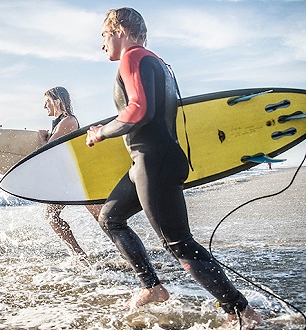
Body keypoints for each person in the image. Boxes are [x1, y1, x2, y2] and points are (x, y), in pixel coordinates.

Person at [84, 7, 262, 328]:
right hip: (150, 162)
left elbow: (138, 111)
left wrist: (100, 132)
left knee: (179, 243)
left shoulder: (133, 57)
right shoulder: (159, 64)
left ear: (120, 30)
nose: (102, 44)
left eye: (104, 35)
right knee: (111, 218)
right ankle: (152, 287)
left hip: (155, 163)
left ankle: (240, 312)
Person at [39, 86, 101, 260]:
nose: (44, 106)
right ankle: (79, 254)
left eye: (47, 102)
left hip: (78, 177)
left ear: (57, 101)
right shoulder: (59, 123)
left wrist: (43, 138)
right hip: (66, 179)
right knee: (52, 216)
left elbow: (47, 151)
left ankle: (128, 249)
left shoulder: (68, 121)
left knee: (102, 217)